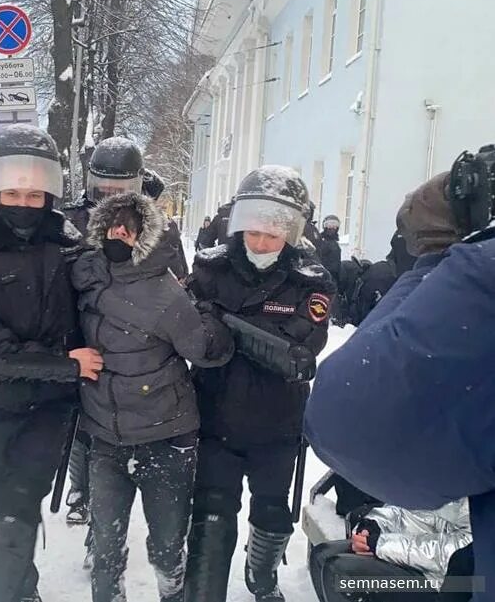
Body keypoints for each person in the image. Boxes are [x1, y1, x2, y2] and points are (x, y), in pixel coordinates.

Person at [304, 164, 495, 602]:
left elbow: (344, 417)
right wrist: (382, 525)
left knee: (352, 578)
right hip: (441, 555)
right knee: (339, 568)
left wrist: (441, 254)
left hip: (446, 572)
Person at [0, 124, 102, 602]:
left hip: (52, 406)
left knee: (18, 502)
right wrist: (61, 363)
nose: (24, 204)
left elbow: (101, 307)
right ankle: (23, 588)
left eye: (35, 194)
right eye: (13, 192)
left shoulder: (72, 248)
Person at [71, 191, 234, 602]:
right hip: (105, 436)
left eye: (129, 228)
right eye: (112, 226)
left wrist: (214, 323)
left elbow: (204, 351)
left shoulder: (166, 293)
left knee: (165, 548)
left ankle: (171, 593)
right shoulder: (84, 276)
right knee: (105, 550)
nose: (118, 234)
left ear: (144, 236)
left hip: (165, 437)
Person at [184, 165, 335, 602]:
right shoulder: (211, 268)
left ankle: (262, 577)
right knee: (212, 512)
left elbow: (298, 355)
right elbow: (188, 330)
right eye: (254, 232)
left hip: (278, 423)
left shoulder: (312, 279)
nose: (261, 242)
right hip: (216, 417)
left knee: (271, 513)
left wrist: (226, 325)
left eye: (273, 234)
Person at [309, 499, 473, 602]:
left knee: (341, 573)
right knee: (321, 555)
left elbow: (462, 549)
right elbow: (426, 513)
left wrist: (381, 544)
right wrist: (376, 524)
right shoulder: (464, 469)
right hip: (417, 560)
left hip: (453, 583)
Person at [317, 215, 342, 284]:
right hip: (323, 276)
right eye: (329, 225)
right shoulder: (320, 241)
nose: (331, 228)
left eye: (334, 225)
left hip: (334, 276)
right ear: (324, 226)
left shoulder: (335, 243)